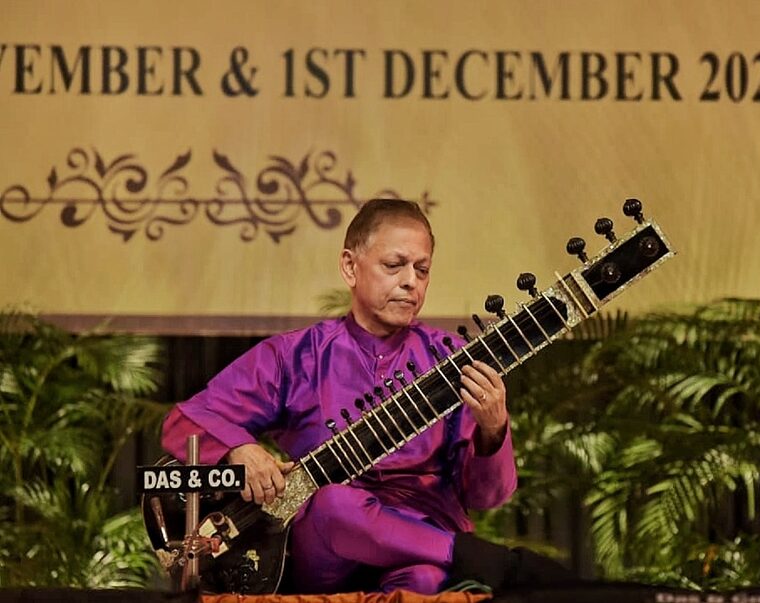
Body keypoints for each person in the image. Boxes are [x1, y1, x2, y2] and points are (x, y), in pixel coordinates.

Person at [161, 198, 519, 594]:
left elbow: (487, 496)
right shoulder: (297, 356)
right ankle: (487, 560)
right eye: (393, 265)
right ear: (350, 266)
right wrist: (239, 450)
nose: (410, 282)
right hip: (326, 546)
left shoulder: (450, 362)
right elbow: (185, 420)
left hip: (418, 538)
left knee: (422, 582)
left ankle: (454, 554)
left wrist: (493, 430)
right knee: (335, 505)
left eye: (422, 270)